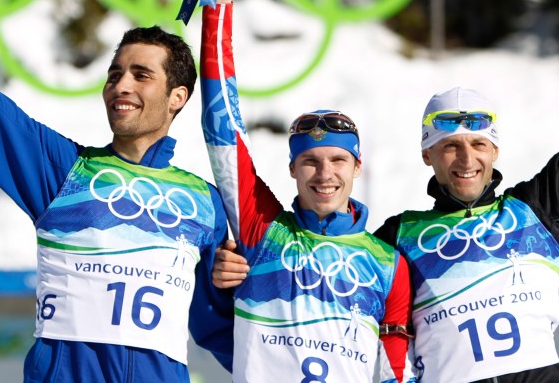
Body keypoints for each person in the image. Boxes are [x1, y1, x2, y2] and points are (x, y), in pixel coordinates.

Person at [214, 85, 559, 382]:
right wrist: (238, 272)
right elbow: (318, 282)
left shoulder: (533, 210)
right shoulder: (398, 238)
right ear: (427, 154)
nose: (466, 160)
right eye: (450, 146)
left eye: (479, 145)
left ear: (495, 151)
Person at [0, 20, 234, 381]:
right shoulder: (63, 171)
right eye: (115, 74)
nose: (121, 86)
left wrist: (234, 287)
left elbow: (221, 329)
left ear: (177, 97)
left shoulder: (204, 203)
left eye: (141, 75)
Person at [200, 0, 418, 383]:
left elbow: (398, 369)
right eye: (310, 161)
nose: (324, 174)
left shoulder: (388, 265)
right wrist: (217, 8)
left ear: (358, 167)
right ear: (292, 169)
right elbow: (223, 129)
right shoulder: (261, 229)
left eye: (338, 160)